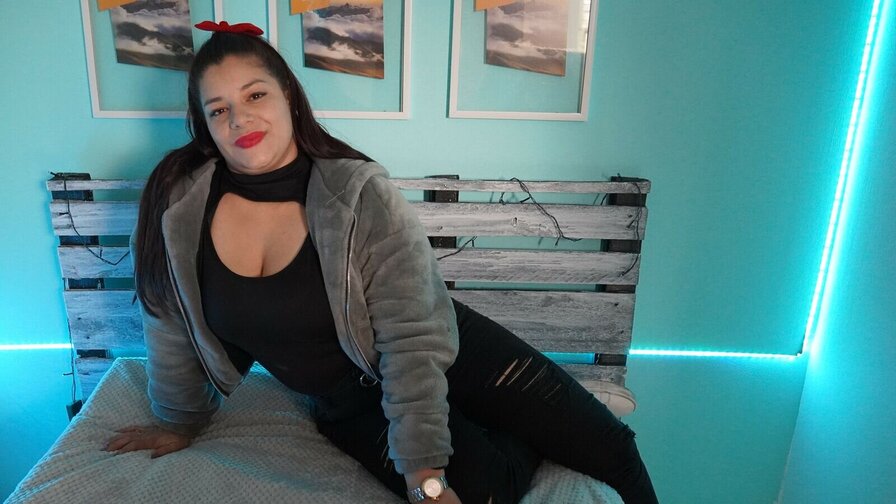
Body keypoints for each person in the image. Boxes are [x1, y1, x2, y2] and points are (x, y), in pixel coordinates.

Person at [103, 20, 658, 504]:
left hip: (439, 347)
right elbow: (168, 326)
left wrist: (423, 476)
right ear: (203, 124)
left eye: (255, 95)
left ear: (288, 97)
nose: (239, 119)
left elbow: (411, 339)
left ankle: (557, 412)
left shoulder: (357, 193)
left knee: (613, 449)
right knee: (487, 492)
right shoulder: (179, 211)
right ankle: (529, 426)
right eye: (219, 109)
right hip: (349, 403)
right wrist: (180, 422)